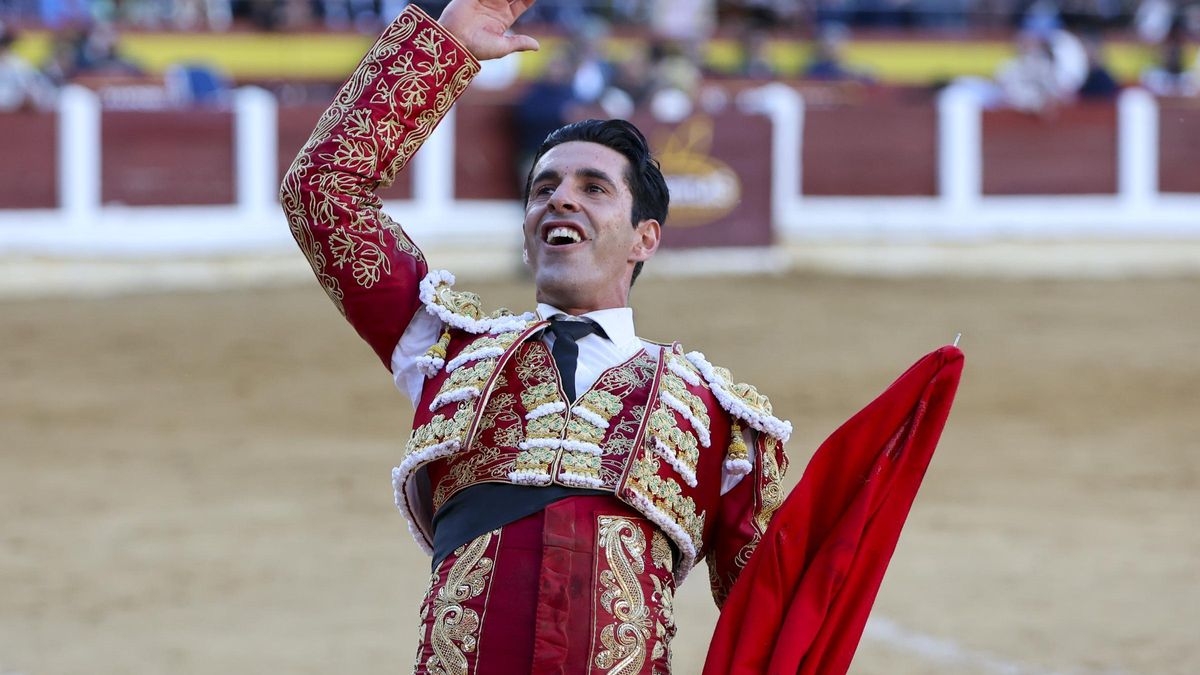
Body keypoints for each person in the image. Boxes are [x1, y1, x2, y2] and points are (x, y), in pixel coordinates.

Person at [279, 0, 791, 672]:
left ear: (646, 238)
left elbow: (779, 626)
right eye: (543, 187)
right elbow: (323, 192)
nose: (560, 199)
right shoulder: (446, 349)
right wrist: (443, 48)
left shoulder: (719, 421)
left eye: (593, 187)